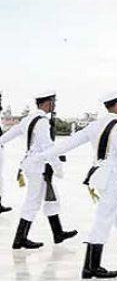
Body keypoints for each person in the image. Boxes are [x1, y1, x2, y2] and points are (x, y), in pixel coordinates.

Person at [37, 89, 117, 279]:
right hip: (113, 180)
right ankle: (91, 267)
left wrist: (42, 155)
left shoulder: (97, 124)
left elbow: (69, 143)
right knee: (102, 222)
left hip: (103, 177)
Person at [0, 90, 77, 249]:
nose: (54, 105)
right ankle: (20, 239)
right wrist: (58, 168)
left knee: (51, 198)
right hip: (38, 168)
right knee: (32, 202)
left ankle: (58, 233)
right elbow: (48, 148)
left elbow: (6, 137)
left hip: (33, 165)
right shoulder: (41, 122)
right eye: (53, 102)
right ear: (47, 102)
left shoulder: (27, 119)